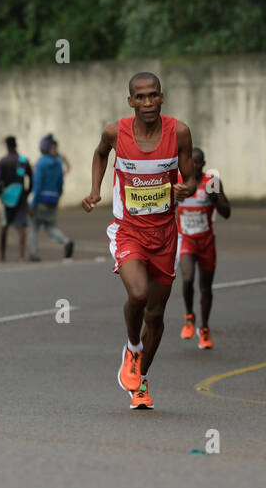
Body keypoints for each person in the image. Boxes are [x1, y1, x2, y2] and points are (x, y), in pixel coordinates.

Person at [82, 71, 196, 409]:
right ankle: (132, 348)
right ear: (130, 101)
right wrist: (95, 190)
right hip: (129, 230)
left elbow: (189, 178)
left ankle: (140, 382)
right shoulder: (116, 132)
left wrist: (185, 188)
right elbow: (101, 153)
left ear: (162, 97)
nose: (147, 102)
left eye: (153, 96)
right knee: (139, 293)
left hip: (165, 235)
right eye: (140, 97)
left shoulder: (180, 133)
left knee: (157, 316)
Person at [175, 147, 230, 348]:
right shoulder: (178, 182)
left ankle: (204, 328)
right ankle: (189, 316)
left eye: (198, 162)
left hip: (206, 241)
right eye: (191, 162)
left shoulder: (212, 183)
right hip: (186, 239)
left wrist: (215, 199)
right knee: (188, 278)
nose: (194, 166)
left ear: (204, 165)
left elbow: (227, 212)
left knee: (205, 288)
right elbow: (166, 209)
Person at [27, 133, 75, 261]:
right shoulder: (58, 162)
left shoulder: (41, 163)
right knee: (50, 227)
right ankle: (66, 241)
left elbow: (37, 186)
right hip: (53, 200)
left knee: (33, 226)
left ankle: (34, 253)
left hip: (40, 200)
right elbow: (60, 183)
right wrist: (58, 197)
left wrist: (32, 204)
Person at [0, 135, 33, 263]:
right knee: (21, 227)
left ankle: (2, 257)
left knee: (4, 227)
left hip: (7, 198)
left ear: (7, 146)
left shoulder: (3, 161)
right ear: (16, 145)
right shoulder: (23, 160)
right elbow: (31, 179)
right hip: (21, 196)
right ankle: (21, 256)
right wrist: (27, 192)